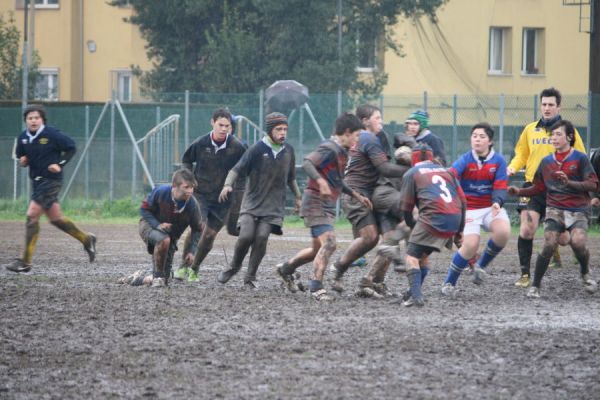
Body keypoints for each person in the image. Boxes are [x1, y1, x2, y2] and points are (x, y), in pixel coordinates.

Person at [275, 113, 372, 301]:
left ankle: (285, 269)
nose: (358, 139)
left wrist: (356, 195)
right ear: (346, 132)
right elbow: (308, 162)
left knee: (315, 250)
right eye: (357, 135)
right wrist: (320, 181)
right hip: (315, 203)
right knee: (330, 243)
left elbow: (336, 181)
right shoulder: (329, 148)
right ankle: (316, 287)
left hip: (325, 205)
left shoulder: (342, 151)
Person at [507, 120, 598, 298]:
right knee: (549, 243)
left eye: (558, 135)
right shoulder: (546, 162)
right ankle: (535, 286)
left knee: (578, 242)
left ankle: (585, 272)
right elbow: (538, 188)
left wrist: (569, 182)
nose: (554, 138)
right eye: (552, 135)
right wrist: (519, 191)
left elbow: (593, 184)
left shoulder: (580, 158)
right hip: (555, 208)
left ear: (569, 137)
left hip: (578, 208)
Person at [508, 87, 586, 288]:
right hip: (533, 186)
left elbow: (581, 159)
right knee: (527, 229)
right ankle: (525, 274)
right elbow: (521, 155)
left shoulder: (570, 132)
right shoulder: (530, 129)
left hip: (559, 190)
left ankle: (570, 247)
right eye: (544, 104)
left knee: (562, 238)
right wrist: (512, 167)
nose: (547, 108)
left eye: (551, 104)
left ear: (559, 107)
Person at [329, 104, 409, 297]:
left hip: (369, 194)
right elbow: (385, 169)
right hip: (357, 194)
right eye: (377, 117)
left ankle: (375, 282)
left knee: (389, 237)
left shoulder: (366, 139)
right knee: (370, 238)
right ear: (365, 122)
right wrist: (414, 168)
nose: (381, 121)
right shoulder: (368, 138)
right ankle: (337, 269)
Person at [6, 105, 96, 273]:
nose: (33, 120)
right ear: (26, 121)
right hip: (37, 182)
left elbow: (71, 147)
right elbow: (21, 156)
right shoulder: (23, 138)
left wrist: (60, 164)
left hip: (52, 181)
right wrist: (23, 161)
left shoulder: (52, 134)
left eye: (36, 117)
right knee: (56, 219)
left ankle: (25, 261)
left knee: (32, 216)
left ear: (42, 120)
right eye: (30, 118)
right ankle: (86, 239)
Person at [217, 112, 302, 288]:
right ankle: (234, 266)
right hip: (252, 203)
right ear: (270, 130)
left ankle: (250, 277)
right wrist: (227, 185)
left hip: (273, 206)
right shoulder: (257, 149)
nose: (283, 133)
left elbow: (291, 177)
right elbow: (236, 169)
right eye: (279, 129)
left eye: (285, 129)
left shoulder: (289, 151)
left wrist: (299, 198)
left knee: (262, 237)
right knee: (246, 236)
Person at [174, 108, 247, 282]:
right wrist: (189, 179)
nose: (223, 129)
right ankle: (183, 266)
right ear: (212, 123)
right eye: (220, 125)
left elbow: (243, 172)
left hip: (223, 200)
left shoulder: (237, 147)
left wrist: (236, 193)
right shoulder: (201, 143)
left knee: (209, 235)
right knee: (199, 226)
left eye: (227, 126)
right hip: (201, 195)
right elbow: (186, 160)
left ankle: (195, 268)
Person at [441, 123, 510, 297]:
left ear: (490, 141)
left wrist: (497, 202)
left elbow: (501, 186)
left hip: (490, 206)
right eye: (474, 136)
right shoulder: (465, 159)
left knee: (503, 232)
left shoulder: (499, 161)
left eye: (482, 136)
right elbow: (450, 176)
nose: (477, 139)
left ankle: (480, 267)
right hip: (469, 209)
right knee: (470, 245)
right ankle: (449, 283)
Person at [396, 143, 466, 307]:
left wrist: (412, 224)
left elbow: (406, 208)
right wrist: (460, 229)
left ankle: (416, 297)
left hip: (433, 217)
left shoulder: (411, 173)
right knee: (423, 256)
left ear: (413, 158)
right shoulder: (447, 171)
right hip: (454, 217)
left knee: (411, 257)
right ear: (431, 157)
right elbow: (463, 201)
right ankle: (411, 293)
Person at [138, 168, 203, 287]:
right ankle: (157, 277)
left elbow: (197, 229)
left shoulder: (192, 205)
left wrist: (191, 251)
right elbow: (144, 209)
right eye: (186, 187)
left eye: (192, 187)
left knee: (165, 276)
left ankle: (136, 279)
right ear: (174, 186)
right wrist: (157, 225)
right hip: (148, 225)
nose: (190, 191)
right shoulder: (161, 192)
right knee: (163, 240)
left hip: (169, 236)